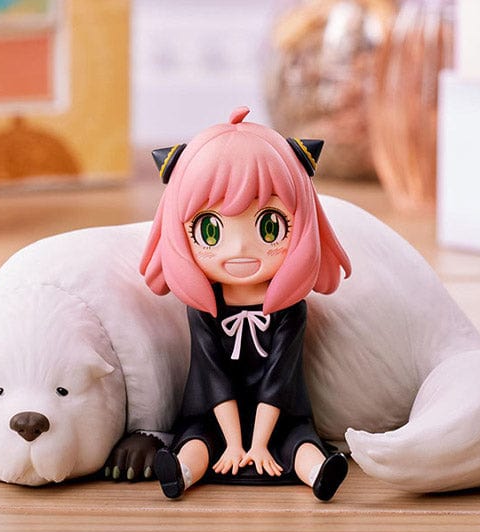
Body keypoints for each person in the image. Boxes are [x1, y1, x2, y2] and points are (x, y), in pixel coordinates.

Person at [140, 106, 352, 501]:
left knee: (299, 443)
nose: (239, 248)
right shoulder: (204, 307)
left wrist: (258, 445)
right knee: (198, 440)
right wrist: (236, 444)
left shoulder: (290, 308)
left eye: (270, 226)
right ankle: (180, 473)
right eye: (211, 230)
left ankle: (319, 473)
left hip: (280, 414)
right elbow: (212, 374)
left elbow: (279, 377)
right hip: (213, 412)